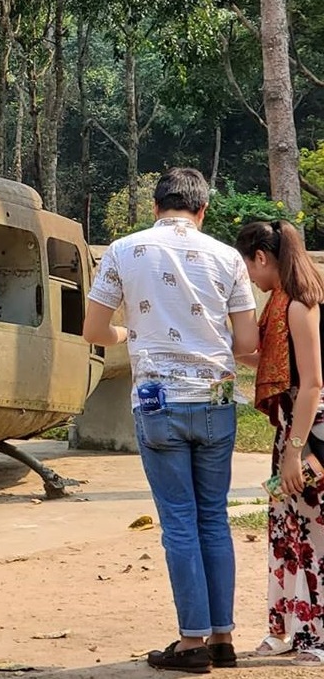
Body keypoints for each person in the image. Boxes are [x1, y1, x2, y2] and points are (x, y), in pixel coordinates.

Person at [83, 168, 258, 673]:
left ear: (156, 206)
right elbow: (247, 343)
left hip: (158, 403)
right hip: (216, 401)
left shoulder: (123, 250)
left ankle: (191, 642)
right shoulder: (228, 257)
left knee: (179, 521)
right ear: (202, 210)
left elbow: (94, 329)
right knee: (213, 518)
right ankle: (223, 638)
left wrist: (128, 334)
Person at [234, 219, 324, 664]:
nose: (250, 278)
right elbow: (269, 358)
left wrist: (295, 451)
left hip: (311, 432)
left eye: (249, 267)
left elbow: (312, 384)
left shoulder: (299, 305)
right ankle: (287, 627)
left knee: (313, 534)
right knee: (287, 530)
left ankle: (316, 635)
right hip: (291, 429)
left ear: (262, 258)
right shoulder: (278, 303)